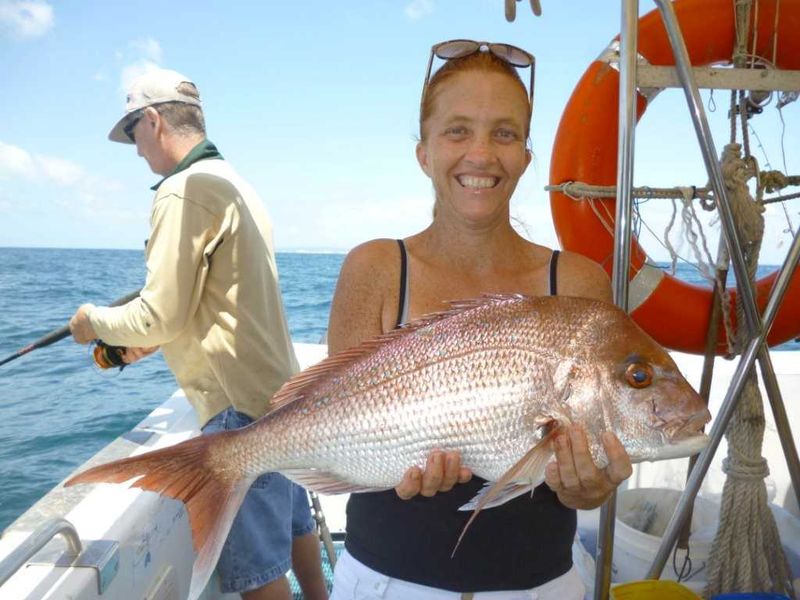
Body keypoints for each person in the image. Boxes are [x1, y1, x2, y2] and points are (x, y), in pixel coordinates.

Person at [326, 41, 633, 600]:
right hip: (384, 584)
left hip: (540, 587)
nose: (481, 154)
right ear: (423, 152)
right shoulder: (374, 267)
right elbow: (335, 423)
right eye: (457, 131)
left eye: (505, 133)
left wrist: (588, 488)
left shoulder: (578, 281)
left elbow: (583, 471)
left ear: (526, 157)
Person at [68, 68, 328, 600]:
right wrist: (147, 337)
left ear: (153, 120)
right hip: (282, 394)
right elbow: (213, 303)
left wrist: (92, 321)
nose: (136, 149)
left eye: (133, 134)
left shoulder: (181, 191)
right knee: (298, 528)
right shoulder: (235, 183)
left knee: (259, 573)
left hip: (236, 410)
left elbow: (159, 315)